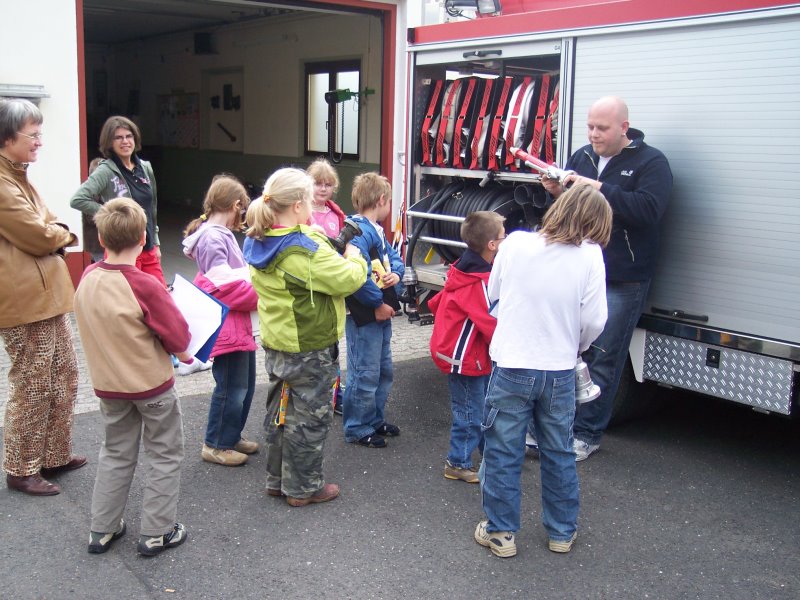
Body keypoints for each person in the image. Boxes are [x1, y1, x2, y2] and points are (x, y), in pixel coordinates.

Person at [474, 183, 611, 558]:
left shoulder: (515, 243)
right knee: (558, 450)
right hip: (560, 369)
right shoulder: (590, 256)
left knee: (503, 451)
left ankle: (501, 533)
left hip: (513, 363)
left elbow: (494, 294)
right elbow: (595, 320)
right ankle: (561, 531)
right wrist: (575, 345)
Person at [540, 96, 673, 461]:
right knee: (566, 352)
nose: (593, 134)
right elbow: (564, 212)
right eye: (590, 126)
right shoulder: (582, 155)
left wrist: (597, 189)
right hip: (575, 269)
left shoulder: (652, 162)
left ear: (624, 129)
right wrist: (556, 193)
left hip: (622, 277)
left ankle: (586, 434)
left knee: (603, 357)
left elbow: (648, 211)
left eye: (602, 128)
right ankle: (554, 428)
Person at [74, 198, 191, 557]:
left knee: (115, 452)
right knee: (164, 453)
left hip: (109, 386)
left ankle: (103, 528)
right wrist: (185, 354)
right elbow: (178, 336)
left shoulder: (88, 278)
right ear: (144, 237)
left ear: (101, 238)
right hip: (150, 385)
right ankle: (157, 531)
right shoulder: (144, 285)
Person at [243, 167, 367, 506]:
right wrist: (355, 255)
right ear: (298, 204)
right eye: (311, 201)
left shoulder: (260, 237)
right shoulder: (301, 249)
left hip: (278, 340)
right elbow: (348, 279)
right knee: (310, 417)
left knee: (280, 411)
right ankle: (303, 488)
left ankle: (277, 479)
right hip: (310, 345)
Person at [0, 98, 85, 497]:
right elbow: (38, 234)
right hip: (23, 303)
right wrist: (62, 236)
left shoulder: (17, 175)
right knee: (33, 383)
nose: (39, 142)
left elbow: (47, 219)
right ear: (6, 138)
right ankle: (20, 467)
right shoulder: (2, 182)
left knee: (64, 376)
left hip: (45, 297)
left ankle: (53, 454)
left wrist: (55, 231)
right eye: (32, 135)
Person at [182, 174, 259, 467]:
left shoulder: (217, 234)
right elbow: (224, 286)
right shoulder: (214, 237)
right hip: (229, 326)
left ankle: (231, 434)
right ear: (236, 204)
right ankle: (216, 443)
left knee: (245, 384)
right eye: (243, 208)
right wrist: (260, 297)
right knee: (231, 387)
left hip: (237, 326)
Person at [428, 211, 504, 483]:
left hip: (466, 354)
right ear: (492, 245)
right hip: (466, 358)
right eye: (502, 236)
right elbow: (490, 321)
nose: (504, 240)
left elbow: (439, 302)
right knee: (470, 414)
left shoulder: (464, 268)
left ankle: (487, 454)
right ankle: (457, 462)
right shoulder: (478, 281)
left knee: (480, 408)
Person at [342, 173, 405, 448]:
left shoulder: (375, 229)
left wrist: (397, 275)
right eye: (388, 201)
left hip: (379, 312)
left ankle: (375, 419)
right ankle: (358, 426)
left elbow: (394, 258)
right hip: (365, 315)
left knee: (382, 369)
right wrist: (377, 304)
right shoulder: (358, 233)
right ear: (382, 200)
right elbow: (357, 276)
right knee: (363, 372)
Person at [70, 116, 166, 286]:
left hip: (148, 247)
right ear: (109, 142)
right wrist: (112, 213)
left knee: (159, 294)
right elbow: (78, 199)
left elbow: (152, 208)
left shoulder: (145, 168)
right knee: (128, 301)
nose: (125, 141)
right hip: (122, 250)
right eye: (118, 137)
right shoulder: (105, 171)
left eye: (129, 136)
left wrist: (156, 242)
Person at [306, 157, 346, 415]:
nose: (322, 189)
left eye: (327, 184)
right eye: (317, 184)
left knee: (333, 345)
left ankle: (335, 394)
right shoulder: (302, 212)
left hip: (333, 286)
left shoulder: (335, 215)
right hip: (311, 285)